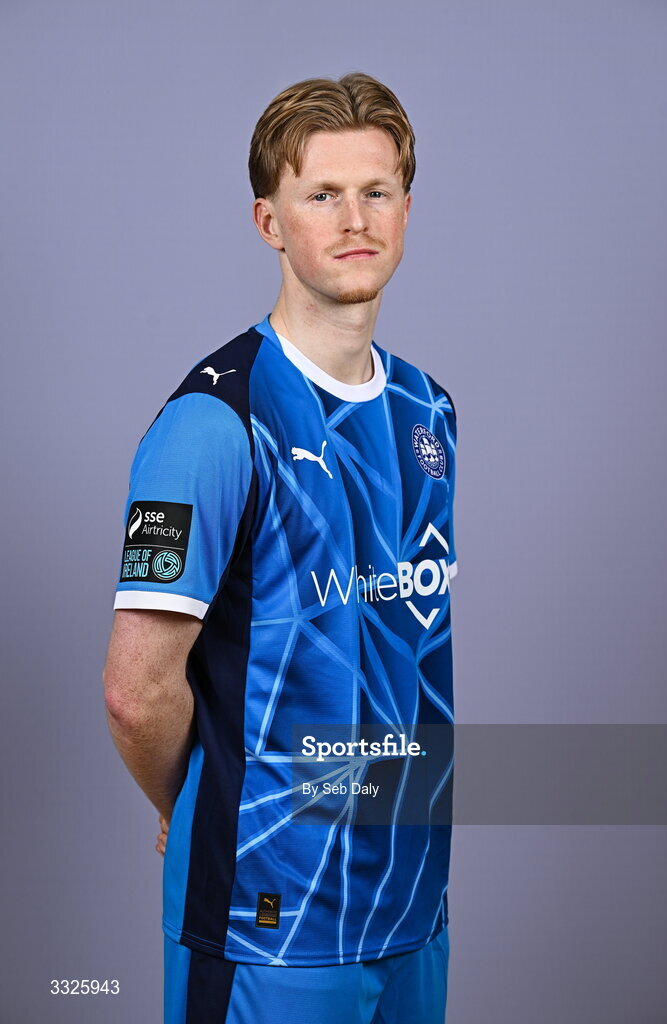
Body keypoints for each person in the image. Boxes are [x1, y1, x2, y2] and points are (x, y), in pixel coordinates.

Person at [103, 71, 458, 1024]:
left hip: (413, 911)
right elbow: (136, 691)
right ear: (270, 222)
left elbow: (407, 651)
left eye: (375, 191)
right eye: (320, 194)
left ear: (407, 210)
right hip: (272, 924)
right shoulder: (212, 423)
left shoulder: (429, 411)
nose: (354, 219)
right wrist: (200, 805)